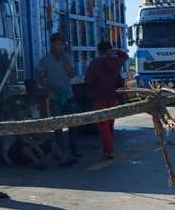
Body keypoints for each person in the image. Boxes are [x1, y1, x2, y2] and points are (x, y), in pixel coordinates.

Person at [84, 41, 129, 159]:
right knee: (109, 126)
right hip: (113, 98)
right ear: (109, 50)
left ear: (98, 51)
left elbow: (88, 81)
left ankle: (109, 150)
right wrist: (115, 51)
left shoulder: (95, 63)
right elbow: (125, 56)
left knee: (104, 127)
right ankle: (107, 149)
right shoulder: (115, 62)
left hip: (100, 99)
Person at [36, 33, 77, 163]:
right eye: (58, 44)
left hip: (68, 96)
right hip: (55, 97)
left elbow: (71, 74)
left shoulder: (67, 58)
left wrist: (64, 59)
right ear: (52, 44)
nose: (60, 47)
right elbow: (41, 79)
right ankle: (61, 152)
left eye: (62, 44)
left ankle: (74, 150)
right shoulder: (45, 60)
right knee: (58, 126)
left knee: (73, 124)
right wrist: (50, 86)